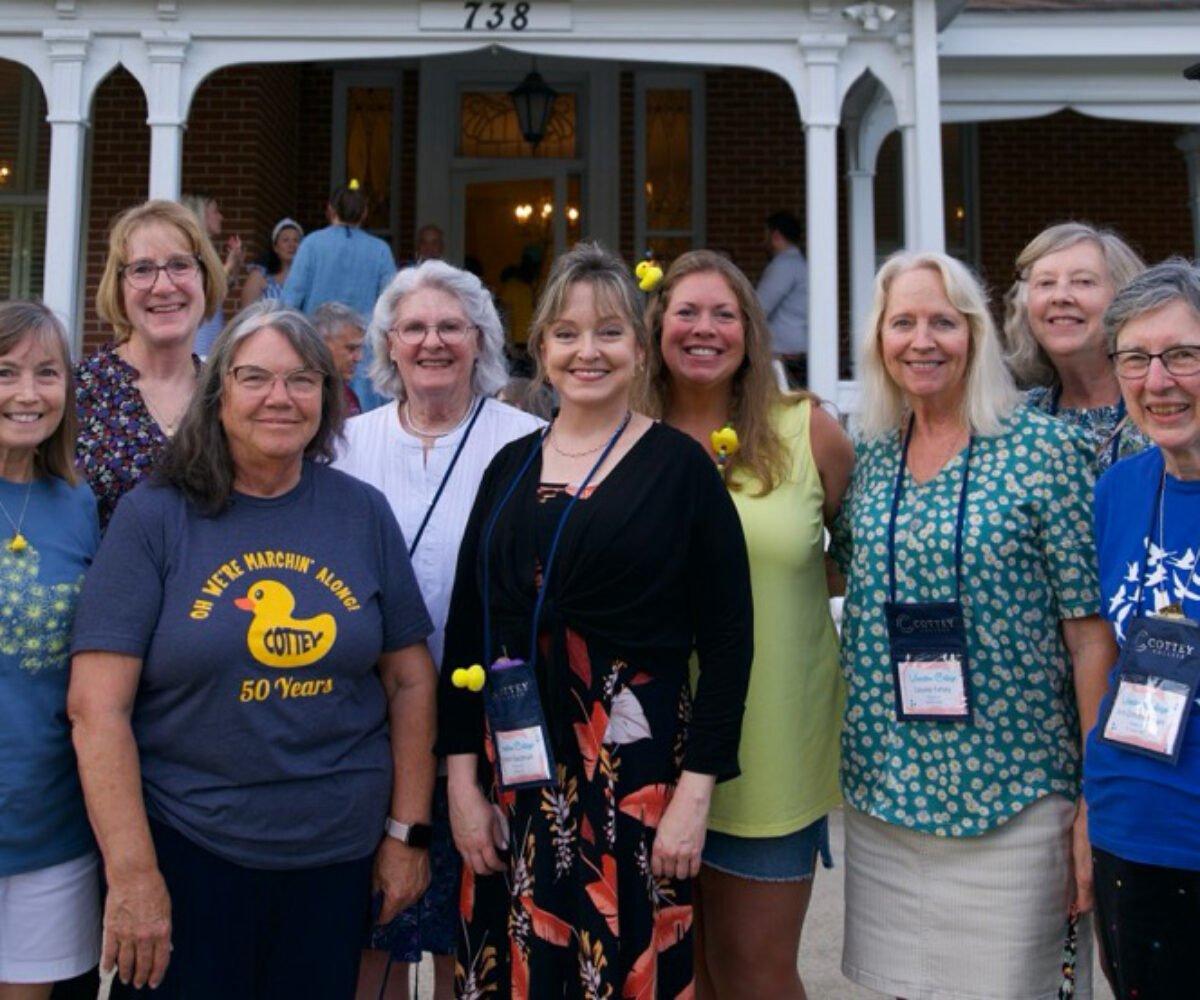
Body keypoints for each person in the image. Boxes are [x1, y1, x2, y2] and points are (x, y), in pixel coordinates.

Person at [67, 303, 438, 998]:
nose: (280, 397)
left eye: (302, 380)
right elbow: (96, 710)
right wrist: (134, 875)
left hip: (337, 857)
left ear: (326, 399)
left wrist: (407, 834)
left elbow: (410, 683)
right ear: (219, 394)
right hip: (190, 851)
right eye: (255, 377)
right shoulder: (156, 515)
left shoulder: (361, 513)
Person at [437, 243, 753, 999]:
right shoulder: (507, 467)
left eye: (610, 332)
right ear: (541, 349)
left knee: (622, 972)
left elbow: (730, 644)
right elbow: (465, 630)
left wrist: (694, 795)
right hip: (513, 775)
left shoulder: (681, 470)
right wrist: (459, 784)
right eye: (568, 333)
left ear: (641, 351)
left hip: (631, 778)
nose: (588, 351)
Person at [831, 250, 1116, 1000]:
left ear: (977, 335)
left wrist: (1095, 797)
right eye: (903, 323)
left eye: (942, 323)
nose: (922, 341)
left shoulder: (1047, 451)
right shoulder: (868, 455)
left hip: (1017, 794)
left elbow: (1089, 634)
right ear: (879, 341)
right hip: (888, 790)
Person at [639, 249, 853, 1000]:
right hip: (646, 745)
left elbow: (858, 560)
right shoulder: (623, 434)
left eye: (724, 313)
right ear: (656, 324)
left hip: (769, 747)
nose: (705, 329)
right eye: (686, 312)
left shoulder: (808, 432)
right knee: (676, 978)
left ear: (751, 331)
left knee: (753, 973)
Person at [334, 260, 543, 1000]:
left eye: (451, 326)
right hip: (366, 731)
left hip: (489, 733)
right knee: (372, 942)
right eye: (414, 327)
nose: (432, 341)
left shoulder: (531, 443)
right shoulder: (344, 447)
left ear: (480, 338)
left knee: (476, 943)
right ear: (388, 343)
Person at [1086, 258, 1200, 999]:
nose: (1157, 381)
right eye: (1136, 357)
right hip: (1132, 824)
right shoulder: (1120, 489)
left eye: (1183, 355)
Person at [0, 302, 100, 1000]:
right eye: (5, 373)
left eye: (47, 373)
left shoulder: (78, 501)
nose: (28, 393)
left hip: (49, 823)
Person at [77, 199, 227, 529]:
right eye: (142, 269)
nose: (163, 286)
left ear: (205, 277)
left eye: (180, 265)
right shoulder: (76, 394)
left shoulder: (229, 394)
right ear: (117, 289)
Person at [1003, 221, 1150, 470]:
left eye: (1083, 282)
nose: (1061, 297)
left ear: (1125, 298)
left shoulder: (1167, 407)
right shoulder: (1014, 420)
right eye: (1046, 283)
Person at [283, 182, 396, 412]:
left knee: (317, 414)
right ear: (364, 213)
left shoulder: (312, 244)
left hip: (317, 346)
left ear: (330, 210)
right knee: (365, 421)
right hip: (363, 350)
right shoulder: (380, 249)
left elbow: (289, 302)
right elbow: (393, 303)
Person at [181, 193, 243, 358]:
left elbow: (219, 291)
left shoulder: (205, 250)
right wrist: (229, 266)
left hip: (208, 333)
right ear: (200, 214)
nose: (221, 217)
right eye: (215, 212)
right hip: (198, 337)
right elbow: (204, 286)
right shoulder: (190, 250)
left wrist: (234, 265)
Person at [756, 210, 809, 388]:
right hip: (797, 352)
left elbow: (759, 309)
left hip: (785, 357)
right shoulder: (801, 264)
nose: (763, 241)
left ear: (776, 235)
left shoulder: (783, 265)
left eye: (765, 235)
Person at [313, 301, 366, 417]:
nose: (359, 358)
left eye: (359, 349)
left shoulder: (347, 397)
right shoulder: (302, 396)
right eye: (351, 349)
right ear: (323, 345)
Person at [239, 217, 303, 307]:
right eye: (285, 240)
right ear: (275, 247)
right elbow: (247, 312)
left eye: (296, 240)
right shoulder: (260, 277)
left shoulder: (307, 280)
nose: (291, 245)